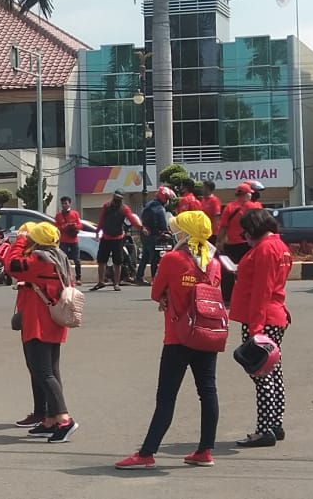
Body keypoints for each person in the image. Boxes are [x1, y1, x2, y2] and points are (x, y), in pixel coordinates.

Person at [115, 211, 221, 469]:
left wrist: (167, 297)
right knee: (207, 392)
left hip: (178, 335)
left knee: (166, 397)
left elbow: (155, 291)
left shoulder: (173, 259)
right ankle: (205, 450)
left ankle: (147, 452)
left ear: (184, 233)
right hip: (207, 334)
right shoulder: (213, 261)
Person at [4, 222, 79, 443]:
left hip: (39, 321)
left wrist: (19, 241)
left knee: (42, 371)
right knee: (51, 370)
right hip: (52, 320)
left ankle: (64, 419)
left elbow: (11, 265)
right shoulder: (58, 257)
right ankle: (50, 419)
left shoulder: (40, 259)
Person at [229, 208, 292, 447]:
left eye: (245, 231)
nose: (244, 235)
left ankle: (264, 430)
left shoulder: (265, 249)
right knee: (274, 371)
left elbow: (261, 290)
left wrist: (255, 328)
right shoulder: (280, 247)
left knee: (260, 373)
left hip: (262, 318)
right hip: (275, 315)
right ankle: (275, 423)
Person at [216, 183, 263, 303]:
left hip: (231, 245)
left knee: (227, 273)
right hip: (249, 245)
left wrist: (219, 242)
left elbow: (223, 227)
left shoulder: (229, 207)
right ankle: (250, 296)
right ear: (247, 194)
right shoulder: (256, 206)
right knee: (250, 272)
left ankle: (227, 298)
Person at [91, 189, 143, 292]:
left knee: (118, 262)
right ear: (113, 196)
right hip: (106, 237)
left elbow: (132, 219)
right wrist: (97, 231)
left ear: (122, 199)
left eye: (119, 198)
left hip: (118, 238)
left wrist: (141, 228)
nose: (117, 200)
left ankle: (116, 283)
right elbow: (101, 220)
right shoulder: (106, 206)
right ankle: (101, 281)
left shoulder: (124, 208)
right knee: (101, 260)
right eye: (116, 197)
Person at [135, 186, 174, 286]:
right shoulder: (160, 208)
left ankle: (139, 276)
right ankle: (154, 279)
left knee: (145, 256)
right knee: (155, 258)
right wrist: (167, 231)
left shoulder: (149, 204)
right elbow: (163, 224)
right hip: (154, 235)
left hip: (145, 234)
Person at [53, 196, 83, 285]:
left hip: (74, 240)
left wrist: (74, 226)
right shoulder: (58, 216)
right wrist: (64, 226)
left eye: (66, 203)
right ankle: (65, 277)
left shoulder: (75, 214)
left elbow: (80, 225)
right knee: (63, 260)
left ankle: (78, 278)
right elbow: (55, 228)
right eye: (63, 203)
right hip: (64, 241)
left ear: (69, 203)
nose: (64, 205)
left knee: (77, 260)